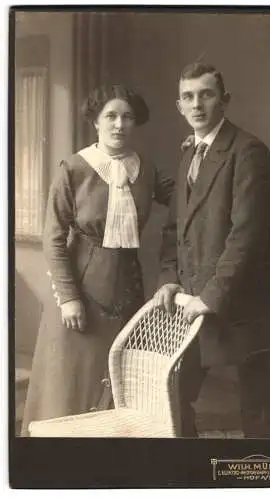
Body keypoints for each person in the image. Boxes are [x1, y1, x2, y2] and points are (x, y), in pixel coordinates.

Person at [21, 83, 174, 436]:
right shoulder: (74, 168)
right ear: (96, 122)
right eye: (111, 116)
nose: (119, 124)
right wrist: (70, 297)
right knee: (72, 381)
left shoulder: (145, 169)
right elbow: (53, 238)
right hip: (81, 287)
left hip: (127, 287)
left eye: (127, 117)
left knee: (120, 376)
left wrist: (194, 153)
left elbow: (186, 196)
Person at [154, 62, 270, 438]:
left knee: (259, 413)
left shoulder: (249, 153)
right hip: (194, 304)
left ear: (224, 100)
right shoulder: (188, 156)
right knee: (172, 396)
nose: (197, 104)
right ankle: (190, 477)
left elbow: (247, 235)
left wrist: (209, 297)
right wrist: (168, 280)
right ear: (179, 105)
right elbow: (174, 230)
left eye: (206, 94)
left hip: (245, 307)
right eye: (188, 97)